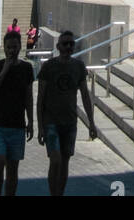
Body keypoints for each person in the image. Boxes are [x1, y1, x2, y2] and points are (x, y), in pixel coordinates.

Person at [36, 30, 97, 196]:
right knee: (55, 160)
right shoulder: (48, 66)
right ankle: (53, 193)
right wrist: (40, 126)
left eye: (71, 43)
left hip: (70, 122)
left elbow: (84, 95)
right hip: (51, 122)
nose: (69, 46)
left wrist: (91, 122)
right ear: (58, 46)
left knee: (65, 162)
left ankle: (59, 193)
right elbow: (40, 98)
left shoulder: (78, 66)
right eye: (65, 44)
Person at [0, 30, 34, 197]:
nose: (12, 51)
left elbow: (29, 96)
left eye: (15, 47)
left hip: (17, 125)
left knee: (13, 169)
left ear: (20, 47)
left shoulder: (27, 68)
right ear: (4, 48)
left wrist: (31, 121)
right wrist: (4, 70)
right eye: (8, 47)